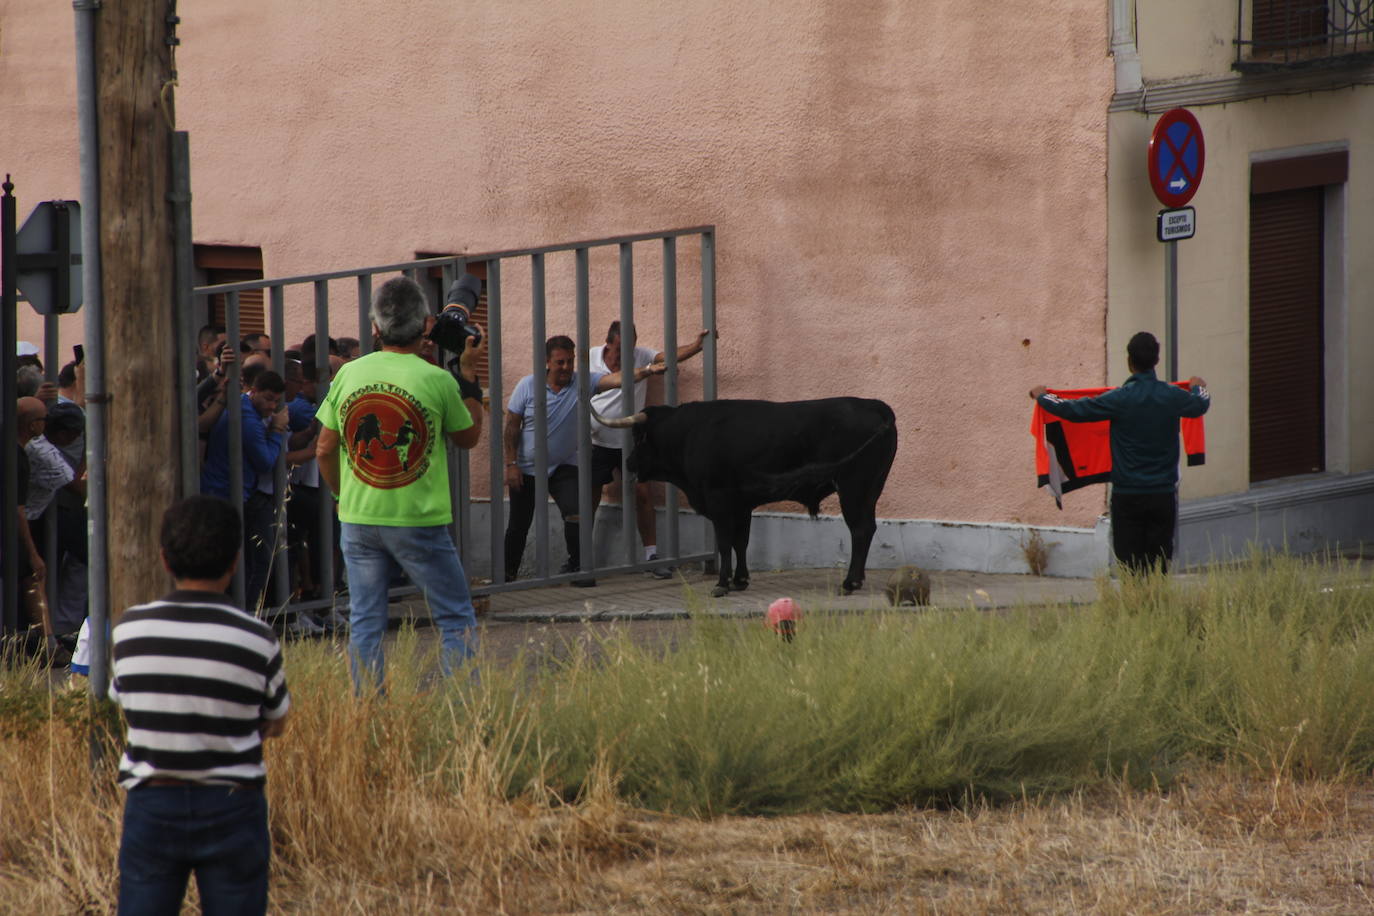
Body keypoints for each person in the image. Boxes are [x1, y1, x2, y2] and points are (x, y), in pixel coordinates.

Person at [110, 494, 290, 915]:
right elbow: (277, 720)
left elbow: (127, 704)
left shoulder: (130, 630)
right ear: (234, 562)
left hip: (153, 802)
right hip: (233, 802)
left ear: (164, 560)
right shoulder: (256, 637)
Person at [315, 276, 486, 690]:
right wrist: (468, 374)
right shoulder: (437, 380)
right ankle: (462, 715)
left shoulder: (350, 374)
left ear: (375, 328)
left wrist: (341, 497)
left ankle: (368, 715)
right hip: (418, 519)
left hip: (358, 516)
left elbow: (323, 449)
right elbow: (468, 438)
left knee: (366, 620)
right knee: (454, 617)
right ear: (426, 324)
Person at [1030, 331, 1210, 575]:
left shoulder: (1118, 399)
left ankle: (1134, 607)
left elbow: (1073, 410)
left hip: (1128, 495)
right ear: (1156, 361)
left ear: (1129, 362)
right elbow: (1201, 404)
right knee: (1158, 566)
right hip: (1162, 494)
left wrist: (1043, 396)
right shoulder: (1172, 396)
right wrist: (1198, 387)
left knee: (1130, 565)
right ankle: (1156, 606)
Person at [502, 335, 665, 586]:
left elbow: (617, 379)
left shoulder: (582, 382)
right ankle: (507, 576)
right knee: (518, 526)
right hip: (527, 468)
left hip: (564, 467)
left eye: (570, 361)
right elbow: (512, 426)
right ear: (547, 362)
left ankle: (580, 568)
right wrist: (511, 465)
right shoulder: (528, 385)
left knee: (577, 512)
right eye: (560, 362)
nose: (566, 367)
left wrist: (646, 371)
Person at [588, 321, 710, 578]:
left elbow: (668, 355)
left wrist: (697, 346)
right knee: (589, 498)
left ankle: (651, 556)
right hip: (597, 441)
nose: (625, 355)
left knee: (643, 495)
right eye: (620, 348)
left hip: (631, 442)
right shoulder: (590, 357)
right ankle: (582, 558)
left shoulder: (641, 355)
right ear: (608, 343)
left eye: (630, 348)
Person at [201, 369, 290, 611]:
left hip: (225, 490)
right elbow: (265, 461)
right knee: (253, 559)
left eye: (276, 401)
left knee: (239, 559)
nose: (272, 406)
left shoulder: (241, 404)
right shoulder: (248, 421)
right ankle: (244, 612)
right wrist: (277, 431)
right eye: (268, 399)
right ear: (254, 391)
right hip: (229, 494)